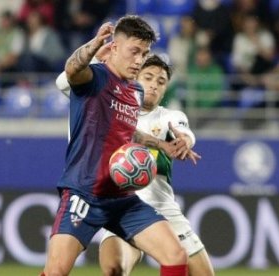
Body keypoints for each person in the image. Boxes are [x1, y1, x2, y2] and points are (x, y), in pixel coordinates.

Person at [42, 15, 189, 276]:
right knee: (56, 271)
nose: (139, 60)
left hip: (121, 198)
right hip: (84, 194)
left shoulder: (136, 91)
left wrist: (160, 145)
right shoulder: (94, 77)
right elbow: (72, 70)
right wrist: (92, 46)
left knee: (176, 255)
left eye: (144, 53)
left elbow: (126, 131)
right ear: (114, 47)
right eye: (134, 51)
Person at [98, 55, 215, 276]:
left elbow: (185, 132)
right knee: (114, 268)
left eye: (160, 82)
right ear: (134, 79)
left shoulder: (169, 117)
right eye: (148, 77)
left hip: (163, 208)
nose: (154, 85)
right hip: (126, 208)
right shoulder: (116, 113)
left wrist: (185, 141)